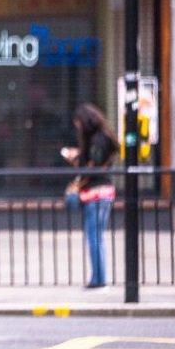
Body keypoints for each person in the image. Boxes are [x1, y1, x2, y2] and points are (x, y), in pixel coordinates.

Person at [63, 103, 119, 289]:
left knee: (94, 237)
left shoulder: (98, 140)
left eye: (79, 122)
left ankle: (98, 279)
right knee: (97, 237)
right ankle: (99, 277)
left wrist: (77, 160)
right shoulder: (102, 138)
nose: (77, 126)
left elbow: (92, 167)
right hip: (102, 192)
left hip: (97, 193)